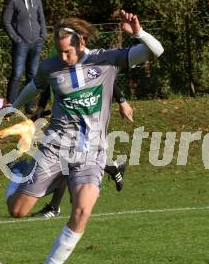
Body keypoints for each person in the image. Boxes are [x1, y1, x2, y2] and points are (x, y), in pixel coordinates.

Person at [7, 10, 163, 264]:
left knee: (82, 211)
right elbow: (34, 86)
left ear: (82, 42)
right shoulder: (51, 67)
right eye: (59, 51)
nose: (63, 57)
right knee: (17, 210)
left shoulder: (108, 59)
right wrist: (14, 106)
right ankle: (20, 169)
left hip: (92, 153)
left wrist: (138, 33)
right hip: (55, 148)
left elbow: (156, 51)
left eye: (67, 51)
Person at [11, 84, 133, 218]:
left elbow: (107, 78)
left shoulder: (87, 68)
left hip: (84, 121)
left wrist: (122, 101)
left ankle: (54, 206)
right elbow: (47, 83)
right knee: (68, 161)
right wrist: (41, 107)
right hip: (65, 122)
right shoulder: (55, 68)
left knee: (70, 161)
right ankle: (112, 168)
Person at [2, 0, 47, 113]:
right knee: (17, 74)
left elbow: (41, 17)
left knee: (32, 75)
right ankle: (9, 108)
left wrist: (43, 35)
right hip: (21, 44)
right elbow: (6, 21)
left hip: (36, 42)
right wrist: (16, 38)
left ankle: (29, 106)